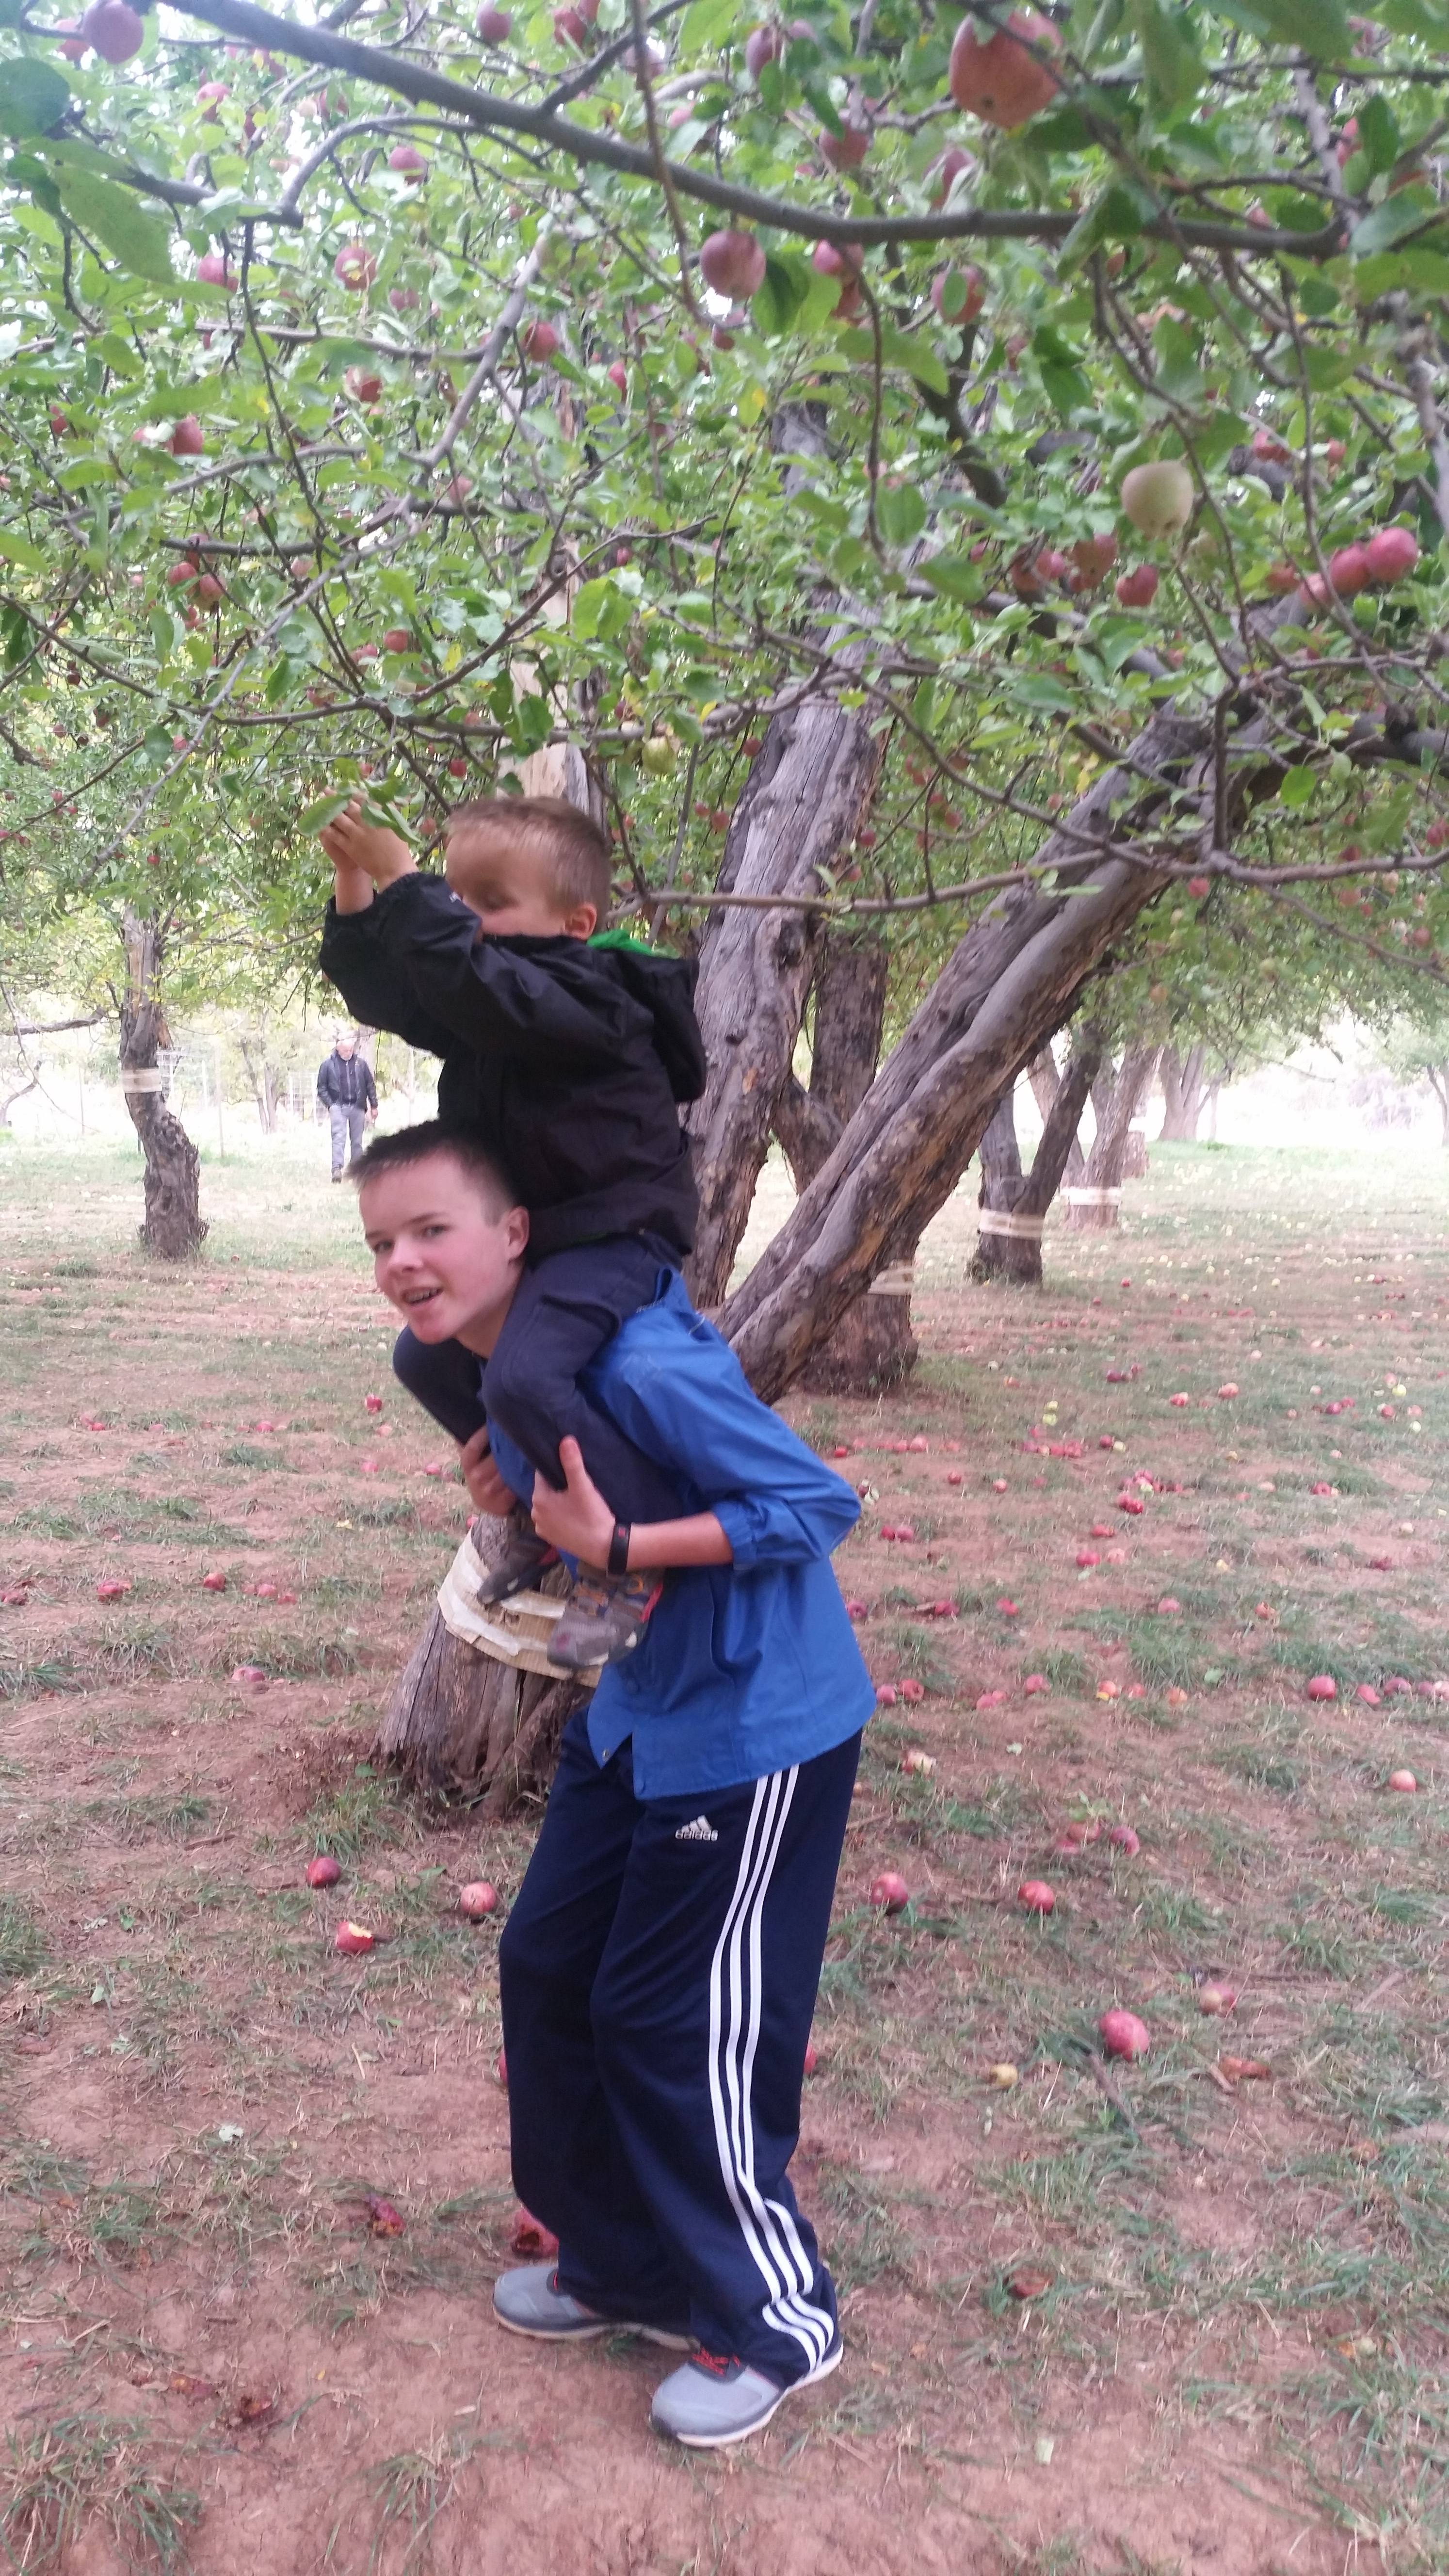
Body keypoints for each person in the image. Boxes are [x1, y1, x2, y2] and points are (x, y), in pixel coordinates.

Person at [352, 1124, 874, 2449]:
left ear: (516, 1231)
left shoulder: (640, 1359)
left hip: (755, 1723)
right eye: (379, 1244)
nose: (403, 1264)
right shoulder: (487, 1378)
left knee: (662, 2016)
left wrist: (626, 1537)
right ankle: (623, 2267)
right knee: (544, 1960)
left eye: (430, 1231)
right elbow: (572, 1549)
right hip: (639, 1705)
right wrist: (511, 1500)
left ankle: (775, 2318)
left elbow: (814, 1504)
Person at [317, 791, 706, 1670]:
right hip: (537, 1243)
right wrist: (356, 886)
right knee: (423, 1357)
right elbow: (396, 990)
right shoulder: (496, 997)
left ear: (576, 923)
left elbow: (470, 983)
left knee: (527, 1372)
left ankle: (622, 1556)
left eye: (486, 904)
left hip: (612, 1238)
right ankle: (537, 1509)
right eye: (458, 903)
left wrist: (404, 880)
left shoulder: (595, 997)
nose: (465, 923)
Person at [316, 1029, 377, 1181]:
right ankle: (337, 1169)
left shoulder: (361, 1064)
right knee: (339, 1138)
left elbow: (370, 1085)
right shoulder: (328, 1065)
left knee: (357, 1141)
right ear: (338, 1048)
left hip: (357, 1106)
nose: (348, 1052)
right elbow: (321, 1088)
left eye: (350, 1049)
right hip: (338, 1106)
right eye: (345, 1050)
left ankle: (356, 1169)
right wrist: (331, 1105)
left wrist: (374, 1106)